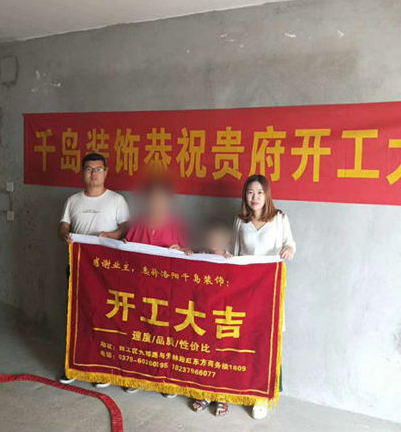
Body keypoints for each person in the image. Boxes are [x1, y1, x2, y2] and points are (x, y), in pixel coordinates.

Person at [58, 153, 130, 386]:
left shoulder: (117, 200)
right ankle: (73, 366)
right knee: (76, 315)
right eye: (89, 169)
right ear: (82, 173)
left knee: (105, 316)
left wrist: (110, 236)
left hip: (107, 271)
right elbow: (63, 226)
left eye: (98, 169)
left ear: (106, 172)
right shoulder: (73, 200)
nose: (94, 174)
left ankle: (103, 369)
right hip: (79, 267)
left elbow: (127, 229)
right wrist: (65, 235)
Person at [232, 174, 296, 420]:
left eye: (259, 192)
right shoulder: (240, 221)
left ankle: (262, 395)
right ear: (245, 196)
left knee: (267, 339)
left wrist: (289, 249)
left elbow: (291, 244)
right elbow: (234, 254)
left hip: (269, 288)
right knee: (245, 337)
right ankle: (243, 387)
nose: (255, 197)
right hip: (245, 290)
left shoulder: (279, 218)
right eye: (250, 192)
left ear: (266, 194)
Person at [124, 177, 191, 397]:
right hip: (140, 289)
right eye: (152, 198)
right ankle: (137, 376)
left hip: (165, 292)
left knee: (163, 335)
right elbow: (127, 253)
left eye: (161, 199)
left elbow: (188, 256)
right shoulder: (138, 223)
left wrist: (181, 251)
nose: (156, 203)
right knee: (138, 332)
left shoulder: (176, 225)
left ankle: (164, 380)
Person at [191, 218, 232, 416]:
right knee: (204, 355)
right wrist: (187, 255)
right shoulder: (200, 256)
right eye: (211, 237)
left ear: (227, 239)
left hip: (223, 317)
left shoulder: (232, 259)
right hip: (203, 315)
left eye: (219, 238)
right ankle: (205, 393)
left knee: (222, 356)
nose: (214, 241)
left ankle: (222, 396)